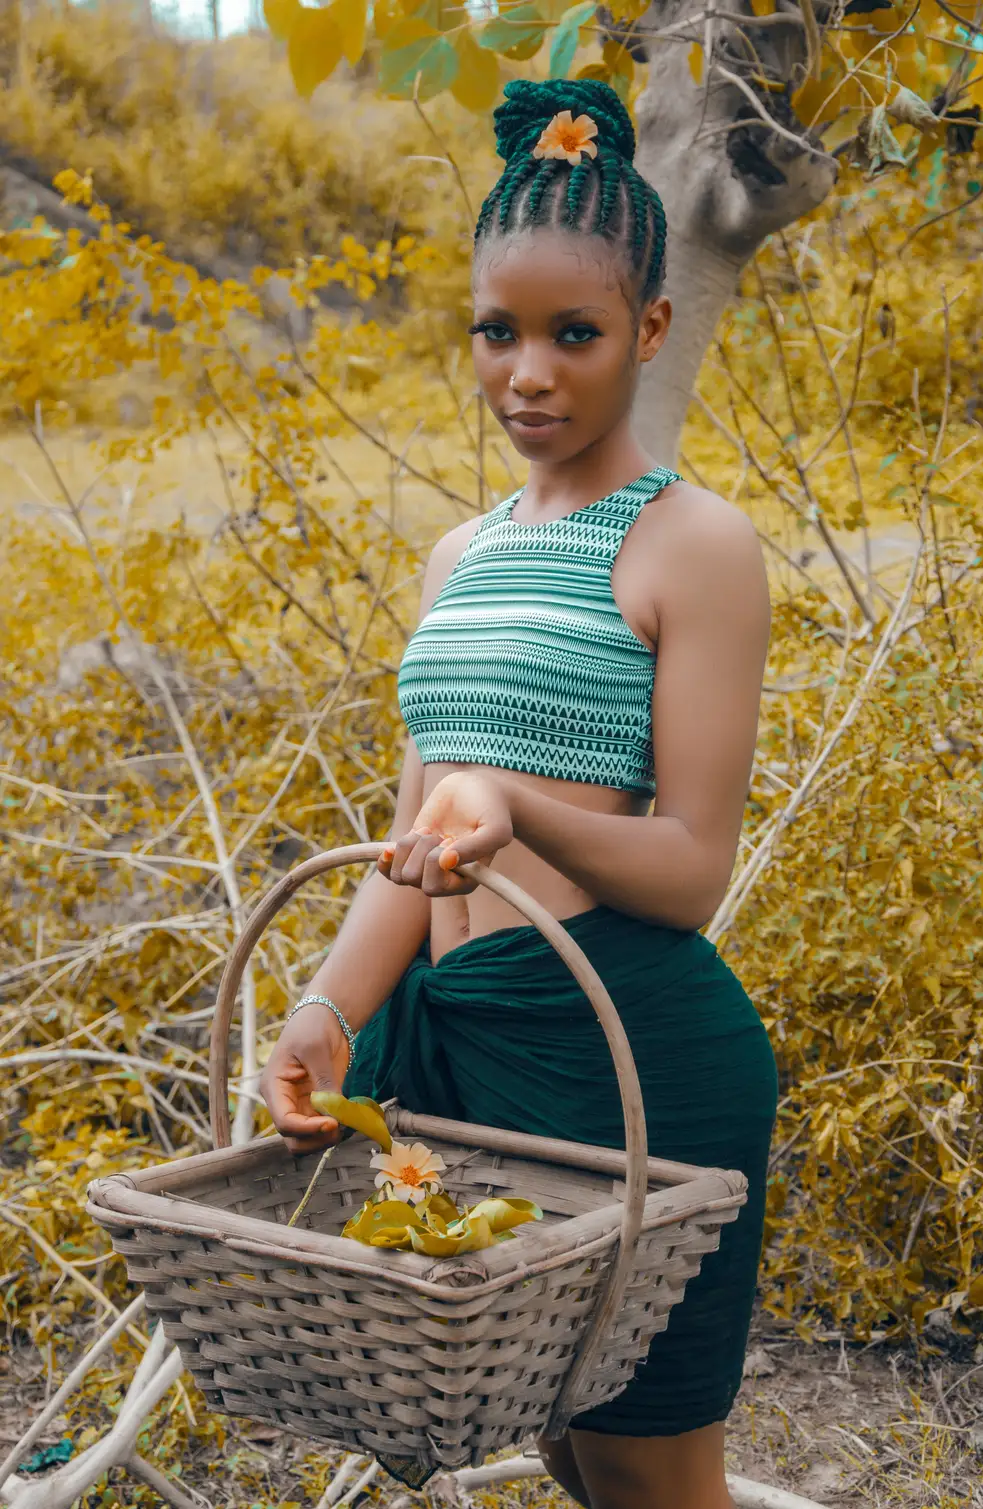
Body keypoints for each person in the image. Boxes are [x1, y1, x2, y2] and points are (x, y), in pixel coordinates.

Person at [261, 77, 778, 1509]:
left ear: (651, 332)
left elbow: (688, 871)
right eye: (499, 332)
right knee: (559, 1449)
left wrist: (523, 806)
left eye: (575, 335)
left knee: (646, 1472)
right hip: (469, 1066)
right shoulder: (458, 559)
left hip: (627, 1058)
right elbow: (413, 838)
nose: (529, 374)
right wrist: (326, 1012)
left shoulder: (695, 547)